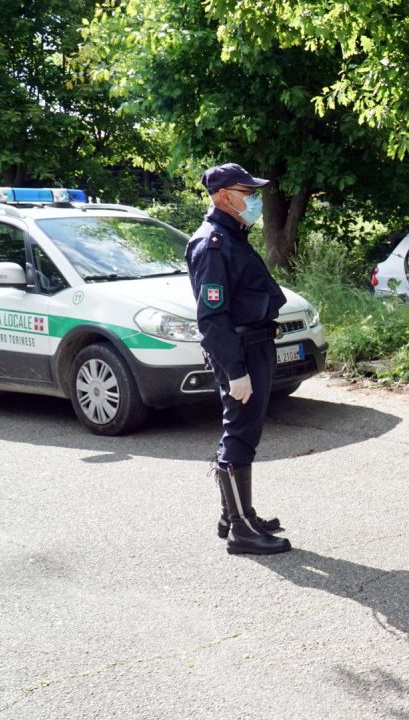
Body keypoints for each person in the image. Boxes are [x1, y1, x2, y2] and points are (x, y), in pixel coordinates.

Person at [186, 163, 291, 555]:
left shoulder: (233, 236)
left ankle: (235, 515)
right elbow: (212, 318)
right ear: (225, 197)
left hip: (255, 345)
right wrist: (235, 372)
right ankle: (242, 531)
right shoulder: (212, 243)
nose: (254, 200)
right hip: (241, 351)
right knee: (240, 434)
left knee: (244, 431)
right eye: (247, 193)